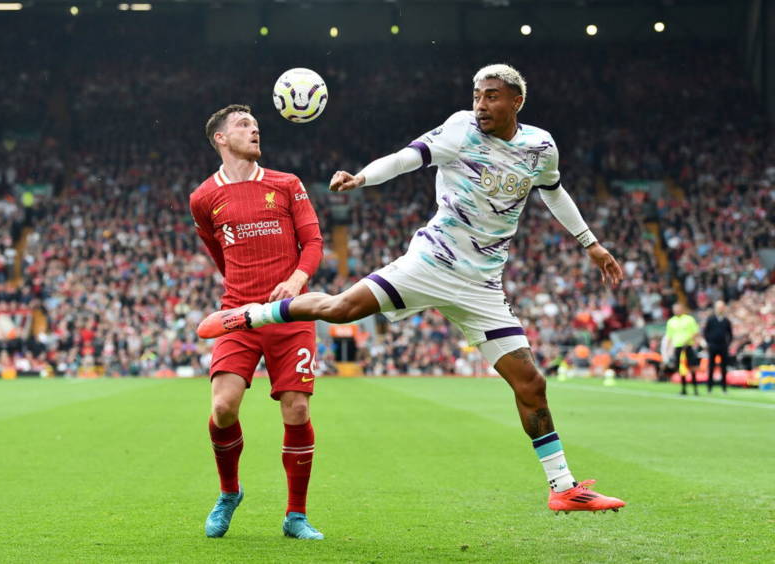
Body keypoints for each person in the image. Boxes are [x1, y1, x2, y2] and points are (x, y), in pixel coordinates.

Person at [199, 66, 626, 514]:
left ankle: (563, 487)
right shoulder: (460, 129)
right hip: (431, 262)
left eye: (492, 97)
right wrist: (361, 178)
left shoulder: (540, 147)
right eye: (477, 95)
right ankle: (250, 315)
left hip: (482, 284)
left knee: (531, 383)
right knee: (342, 308)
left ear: (516, 101)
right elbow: (408, 157)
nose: (481, 104)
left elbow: (554, 192)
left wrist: (590, 244)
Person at [190, 104, 325, 539]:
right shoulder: (203, 197)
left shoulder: (287, 184)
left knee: (297, 407)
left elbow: (314, 242)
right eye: (244, 125)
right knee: (223, 407)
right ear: (220, 139)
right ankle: (229, 492)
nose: (254, 131)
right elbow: (220, 257)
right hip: (238, 316)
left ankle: (296, 515)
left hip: (290, 314)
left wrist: (296, 280)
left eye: (256, 126)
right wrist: (243, 297)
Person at [665, 303, 701, 395]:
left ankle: (695, 388)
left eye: (678, 309)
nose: (676, 311)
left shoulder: (689, 319)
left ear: (682, 309)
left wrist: (689, 340)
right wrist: (667, 349)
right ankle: (683, 388)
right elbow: (669, 336)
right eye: (675, 309)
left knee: (692, 367)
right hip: (678, 347)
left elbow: (695, 332)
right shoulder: (671, 322)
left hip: (688, 346)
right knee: (681, 369)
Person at [703, 300, 733, 393]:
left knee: (724, 368)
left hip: (723, 346)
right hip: (713, 346)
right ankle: (709, 387)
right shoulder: (711, 319)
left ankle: (724, 387)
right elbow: (705, 332)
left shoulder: (726, 320)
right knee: (711, 367)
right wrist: (709, 343)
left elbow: (730, 334)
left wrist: (727, 344)